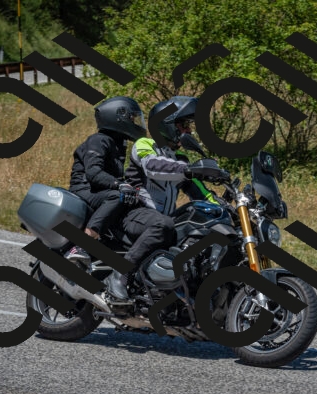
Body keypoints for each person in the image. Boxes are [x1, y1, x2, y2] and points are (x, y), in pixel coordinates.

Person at [103, 95, 224, 304]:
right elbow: (153, 166)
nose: (189, 130)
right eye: (183, 125)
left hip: (160, 220)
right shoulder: (145, 144)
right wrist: (188, 169)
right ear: (167, 124)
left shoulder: (180, 160)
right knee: (164, 224)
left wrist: (224, 208)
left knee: (196, 229)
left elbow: (201, 193)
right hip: (134, 214)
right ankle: (120, 274)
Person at [66, 96, 146, 262]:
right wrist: (119, 185)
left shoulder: (117, 143)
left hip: (99, 190)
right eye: (132, 118)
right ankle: (82, 245)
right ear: (118, 117)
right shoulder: (99, 140)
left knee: (136, 200)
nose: (135, 122)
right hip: (83, 189)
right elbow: (93, 173)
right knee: (118, 196)